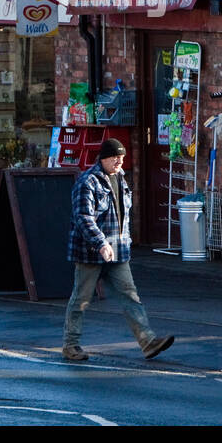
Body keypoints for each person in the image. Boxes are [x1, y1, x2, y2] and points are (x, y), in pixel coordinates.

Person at [62, 137, 174, 362]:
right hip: (91, 252)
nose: (119, 161)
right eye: (115, 157)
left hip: (118, 251)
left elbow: (123, 216)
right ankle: (70, 345)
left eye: (122, 157)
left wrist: (122, 243)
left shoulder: (121, 178)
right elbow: (83, 218)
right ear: (103, 158)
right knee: (81, 299)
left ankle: (148, 341)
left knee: (130, 296)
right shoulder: (87, 182)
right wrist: (101, 243)